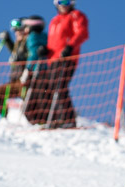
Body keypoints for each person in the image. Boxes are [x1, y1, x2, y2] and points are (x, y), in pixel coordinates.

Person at [43, 0, 89, 128]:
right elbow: (53, 40)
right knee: (51, 88)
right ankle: (55, 119)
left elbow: (82, 33)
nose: (63, 5)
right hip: (52, 59)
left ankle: (68, 120)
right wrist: (46, 50)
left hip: (67, 57)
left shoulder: (76, 15)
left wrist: (70, 47)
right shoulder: (55, 20)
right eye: (60, 1)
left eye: (66, 1)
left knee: (60, 86)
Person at [0, 18, 28, 119]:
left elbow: (29, 56)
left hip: (25, 80)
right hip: (15, 81)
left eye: (19, 30)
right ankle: (2, 116)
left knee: (28, 101)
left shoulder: (28, 42)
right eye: (15, 31)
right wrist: (7, 40)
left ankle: (37, 120)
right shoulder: (18, 44)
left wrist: (20, 60)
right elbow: (14, 52)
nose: (17, 33)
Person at [18, 15, 50, 125]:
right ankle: (42, 120)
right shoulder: (45, 36)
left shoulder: (32, 37)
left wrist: (27, 69)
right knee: (42, 95)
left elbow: (33, 54)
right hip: (46, 69)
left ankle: (39, 121)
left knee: (34, 97)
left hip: (37, 70)